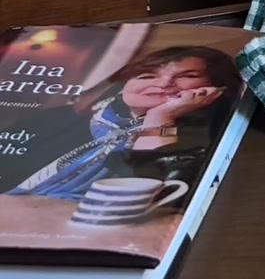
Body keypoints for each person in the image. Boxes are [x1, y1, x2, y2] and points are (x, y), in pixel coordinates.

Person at [10, 46, 235, 202]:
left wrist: (161, 116)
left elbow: (144, 177)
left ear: (213, 88)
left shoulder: (206, 134)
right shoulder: (62, 119)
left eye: (187, 75)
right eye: (147, 76)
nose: (165, 82)